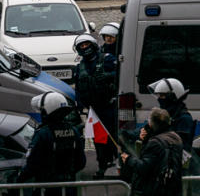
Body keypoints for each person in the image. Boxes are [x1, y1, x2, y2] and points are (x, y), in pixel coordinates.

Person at [18, 92, 86, 194]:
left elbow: (31, 165)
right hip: (68, 189)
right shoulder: (74, 131)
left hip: (46, 189)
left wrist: (19, 179)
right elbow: (81, 162)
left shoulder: (43, 134)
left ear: (46, 112)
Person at [72, 33, 117, 178]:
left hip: (110, 107)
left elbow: (122, 73)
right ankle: (102, 166)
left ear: (93, 45)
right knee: (99, 140)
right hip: (94, 111)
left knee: (114, 137)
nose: (85, 48)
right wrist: (80, 107)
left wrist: (108, 76)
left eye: (87, 45)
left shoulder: (107, 59)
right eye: (82, 46)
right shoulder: (80, 67)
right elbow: (78, 88)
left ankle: (119, 163)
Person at [120, 107, 183, 196]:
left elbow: (143, 167)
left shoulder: (155, 143)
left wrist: (128, 159)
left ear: (152, 123)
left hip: (155, 189)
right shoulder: (176, 138)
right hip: (172, 187)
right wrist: (146, 137)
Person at [148, 78, 195, 155]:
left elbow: (177, 144)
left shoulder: (184, 118)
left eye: (162, 95)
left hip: (173, 162)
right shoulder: (167, 114)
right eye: (159, 95)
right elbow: (146, 128)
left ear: (172, 97)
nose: (159, 99)